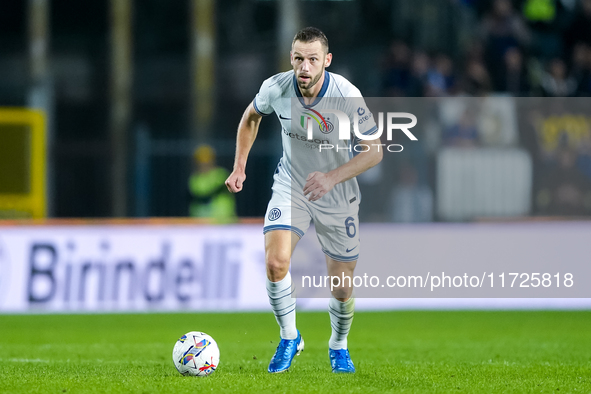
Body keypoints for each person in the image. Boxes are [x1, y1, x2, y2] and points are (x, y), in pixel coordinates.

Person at [225, 27, 382, 373]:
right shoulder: (276, 88)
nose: (304, 67)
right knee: (276, 263)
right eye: (298, 58)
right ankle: (289, 337)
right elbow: (251, 116)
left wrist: (330, 177)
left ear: (326, 61)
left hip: (337, 191)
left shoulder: (346, 94)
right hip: (291, 185)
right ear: (291, 59)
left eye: (312, 59)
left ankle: (338, 346)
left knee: (341, 286)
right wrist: (240, 166)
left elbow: (374, 152)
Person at [189, 144, 236, 223]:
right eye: (201, 161)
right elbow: (199, 196)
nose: (204, 164)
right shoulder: (195, 179)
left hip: (224, 222)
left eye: (207, 160)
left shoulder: (221, 174)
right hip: (202, 223)